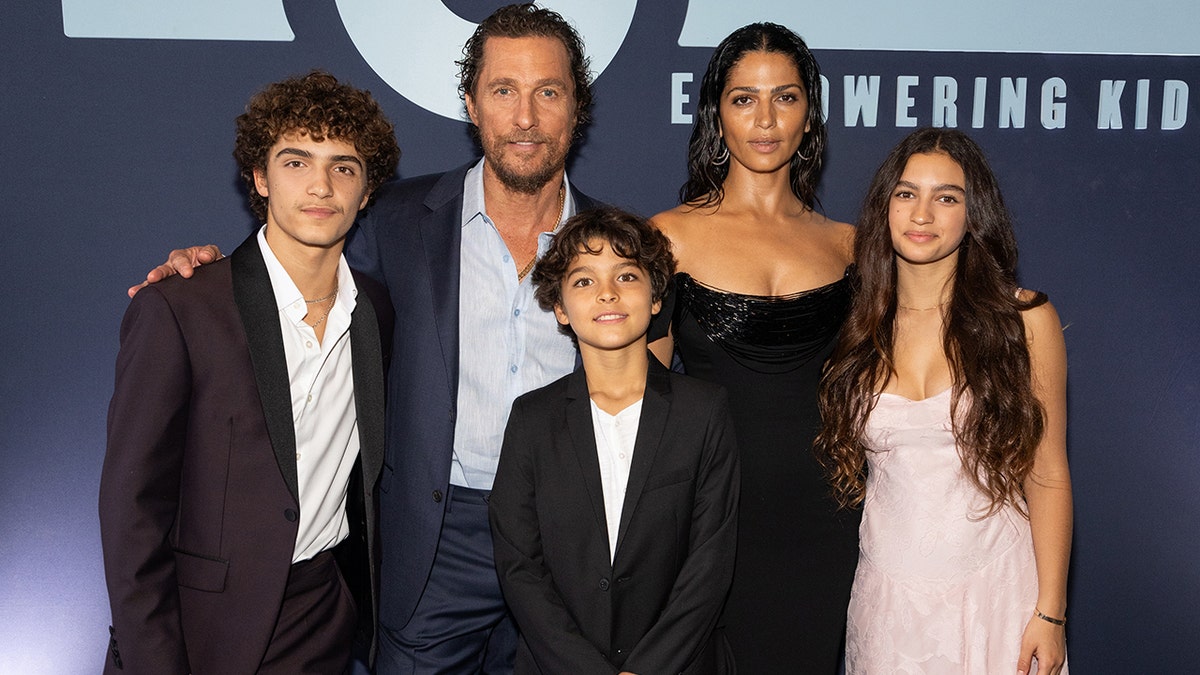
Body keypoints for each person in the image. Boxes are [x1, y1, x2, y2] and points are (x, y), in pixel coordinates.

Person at [127, 5, 603, 672]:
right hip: (432, 544)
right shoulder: (398, 222)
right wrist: (203, 267)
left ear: (576, 107)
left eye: (547, 92)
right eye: (503, 90)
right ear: (471, 103)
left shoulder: (617, 246)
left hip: (566, 546)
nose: (524, 116)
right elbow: (296, 259)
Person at [99, 71, 399, 674]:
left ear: (366, 191)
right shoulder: (179, 307)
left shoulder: (377, 311)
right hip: (199, 625)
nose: (321, 185)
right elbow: (133, 512)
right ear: (260, 178)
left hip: (320, 618)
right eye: (296, 162)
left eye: (343, 166)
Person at [815, 127, 1072, 674]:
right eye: (906, 194)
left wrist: (1050, 613)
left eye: (946, 197)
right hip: (888, 603)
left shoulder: (1023, 321)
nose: (922, 214)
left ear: (973, 213)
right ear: (885, 206)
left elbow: (1047, 473)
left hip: (998, 595)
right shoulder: (856, 328)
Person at [649, 23, 858, 673]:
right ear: (716, 110)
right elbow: (634, 404)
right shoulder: (666, 238)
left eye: (786, 98)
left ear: (810, 113)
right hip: (711, 516)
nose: (765, 120)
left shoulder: (850, 245)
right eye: (744, 99)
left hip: (826, 516)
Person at [490, 207, 740, 674]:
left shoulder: (703, 411)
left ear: (655, 297)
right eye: (584, 281)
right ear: (560, 308)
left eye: (626, 276)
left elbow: (709, 564)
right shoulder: (532, 419)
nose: (607, 293)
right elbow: (519, 565)